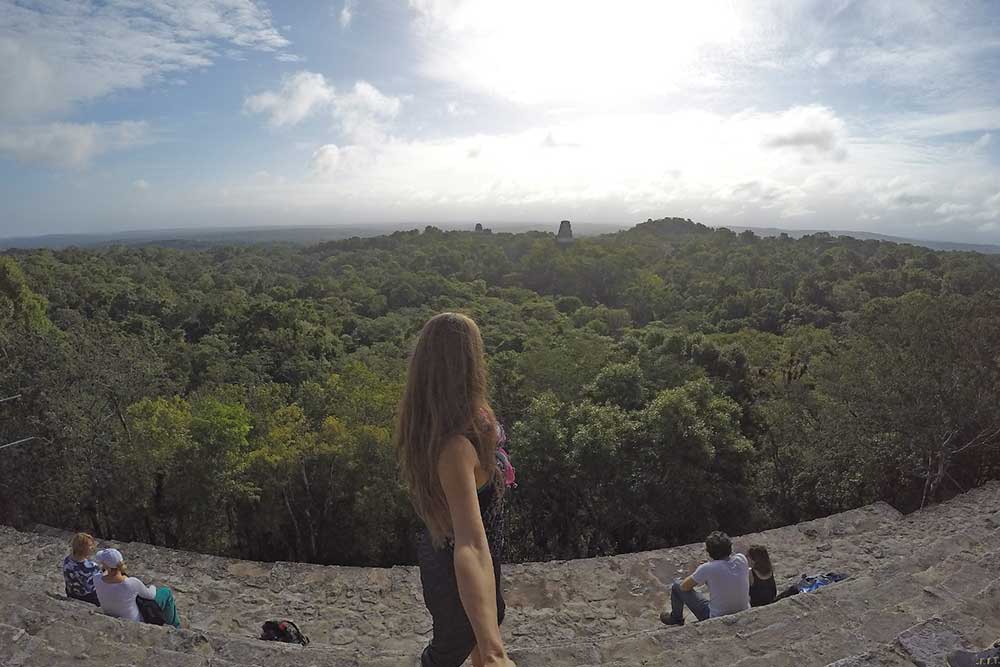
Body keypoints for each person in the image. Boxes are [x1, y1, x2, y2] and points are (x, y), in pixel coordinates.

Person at [396, 313, 516, 667]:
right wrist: (496, 653)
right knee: (453, 645)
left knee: (482, 627)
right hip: (456, 564)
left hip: (455, 550)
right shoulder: (454, 448)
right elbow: (470, 542)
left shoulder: (465, 419)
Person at [661, 531, 750, 625]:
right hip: (744, 610)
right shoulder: (741, 559)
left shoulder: (707, 568)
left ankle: (675, 618)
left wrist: (704, 569)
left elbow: (684, 587)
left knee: (676, 586)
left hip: (715, 616)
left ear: (709, 552)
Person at [92, 548, 181, 628]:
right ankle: (176, 627)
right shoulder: (131, 583)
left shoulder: (96, 579)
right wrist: (152, 586)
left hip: (111, 615)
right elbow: (151, 595)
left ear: (106, 566)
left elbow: (105, 577)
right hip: (134, 622)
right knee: (166, 592)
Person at [62, 533, 101, 606]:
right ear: (82, 548)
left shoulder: (67, 560)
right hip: (90, 597)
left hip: (72, 593)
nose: (92, 547)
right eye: (90, 545)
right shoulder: (92, 566)